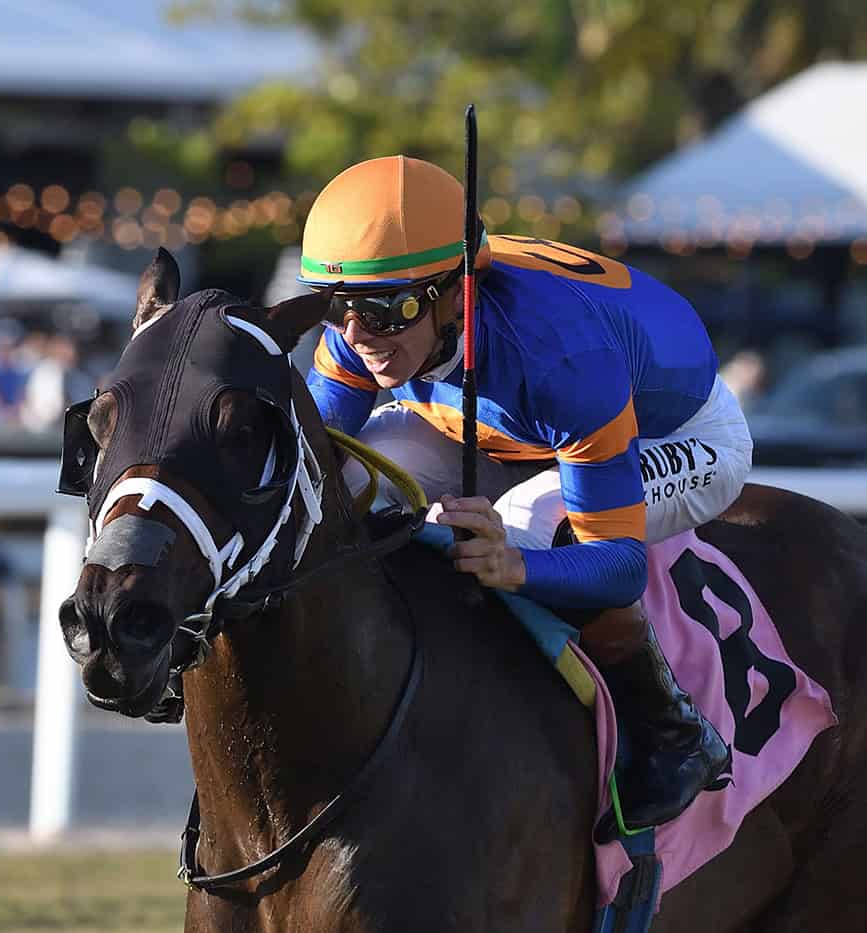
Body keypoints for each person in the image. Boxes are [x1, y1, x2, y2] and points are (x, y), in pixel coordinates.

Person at [299, 155, 754, 830]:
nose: (357, 335)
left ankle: (673, 728)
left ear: (456, 291)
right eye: (337, 308)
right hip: (512, 426)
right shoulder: (363, 330)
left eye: (383, 309)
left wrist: (517, 566)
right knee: (347, 473)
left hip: (674, 431)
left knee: (531, 521)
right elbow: (307, 453)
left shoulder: (561, 358)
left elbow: (619, 564)